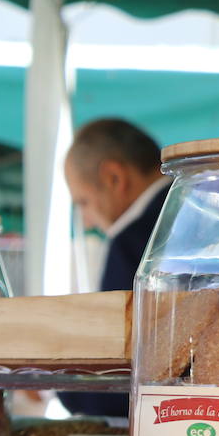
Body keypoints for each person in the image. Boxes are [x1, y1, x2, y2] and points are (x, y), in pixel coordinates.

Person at [61, 118, 170, 419]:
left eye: (83, 201)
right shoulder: (206, 210)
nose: (86, 221)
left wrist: (54, 383)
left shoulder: (133, 239)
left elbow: (114, 374)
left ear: (114, 178)